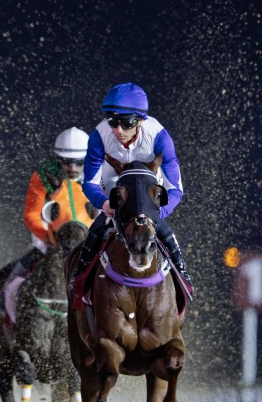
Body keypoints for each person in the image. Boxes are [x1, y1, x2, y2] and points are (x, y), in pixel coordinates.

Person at [69, 82, 192, 299]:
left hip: (149, 181)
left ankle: (182, 275)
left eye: (126, 123)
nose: (117, 131)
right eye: (113, 122)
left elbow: (176, 190)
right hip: (114, 179)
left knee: (163, 230)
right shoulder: (99, 136)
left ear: (141, 120)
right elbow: (89, 183)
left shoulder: (160, 138)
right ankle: (79, 280)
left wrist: (156, 215)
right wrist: (103, 203)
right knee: (99, 227)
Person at [0, 127, 94, 314]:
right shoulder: (43, 175)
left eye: (79, 163)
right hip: (53, 238)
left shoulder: (99, 173)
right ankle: (2, 297)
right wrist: (46, 237)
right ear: (57, 159)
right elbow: (31, 214)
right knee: (29, 262)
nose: (73, 169)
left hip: (89, 238)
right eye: (66, 163)